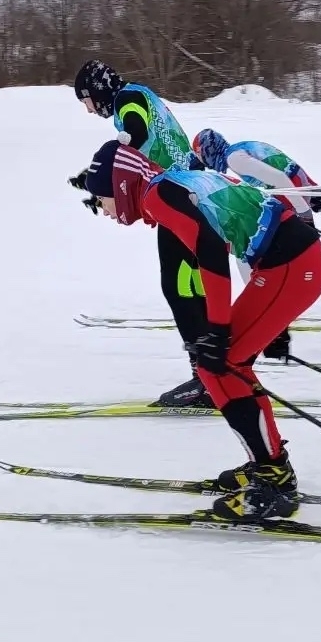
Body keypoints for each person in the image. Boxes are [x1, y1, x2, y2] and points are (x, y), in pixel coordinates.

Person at [83, 138, 321, 521]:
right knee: (222, 366)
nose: (104, 210)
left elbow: (210, 250)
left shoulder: (158, 197)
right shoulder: (170, 185)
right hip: (287, 263)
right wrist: (267, 323)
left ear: (120, 184)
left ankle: (275, 478)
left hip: (292, 266)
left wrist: (217, 327)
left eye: (102, 199)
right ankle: (267, 465)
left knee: (221, 365)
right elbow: (245, 218)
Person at [69, 60, 208, 407]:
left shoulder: (127, 100)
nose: (89, 110)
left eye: (87, 101)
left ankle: (207, 378)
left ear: (98, 91)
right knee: (189, 282)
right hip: (190, 190)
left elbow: (137, 134)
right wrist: (101, 181)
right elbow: (139, 150)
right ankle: (211, 370)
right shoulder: (136, 94)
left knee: (178, 285)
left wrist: (106, 170)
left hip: (181, 195)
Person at [192, 128, 321, 360]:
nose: (205, 163)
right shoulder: (241, 147)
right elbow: (288, 166)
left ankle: (266, 313)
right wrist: (313, 192)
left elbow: (279, 179)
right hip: (296, 192)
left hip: (290, 199)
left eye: (201, 156)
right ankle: (270, 315)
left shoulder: (234, 159)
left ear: (208, 150)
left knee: (244, 254)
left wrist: (305, 213)